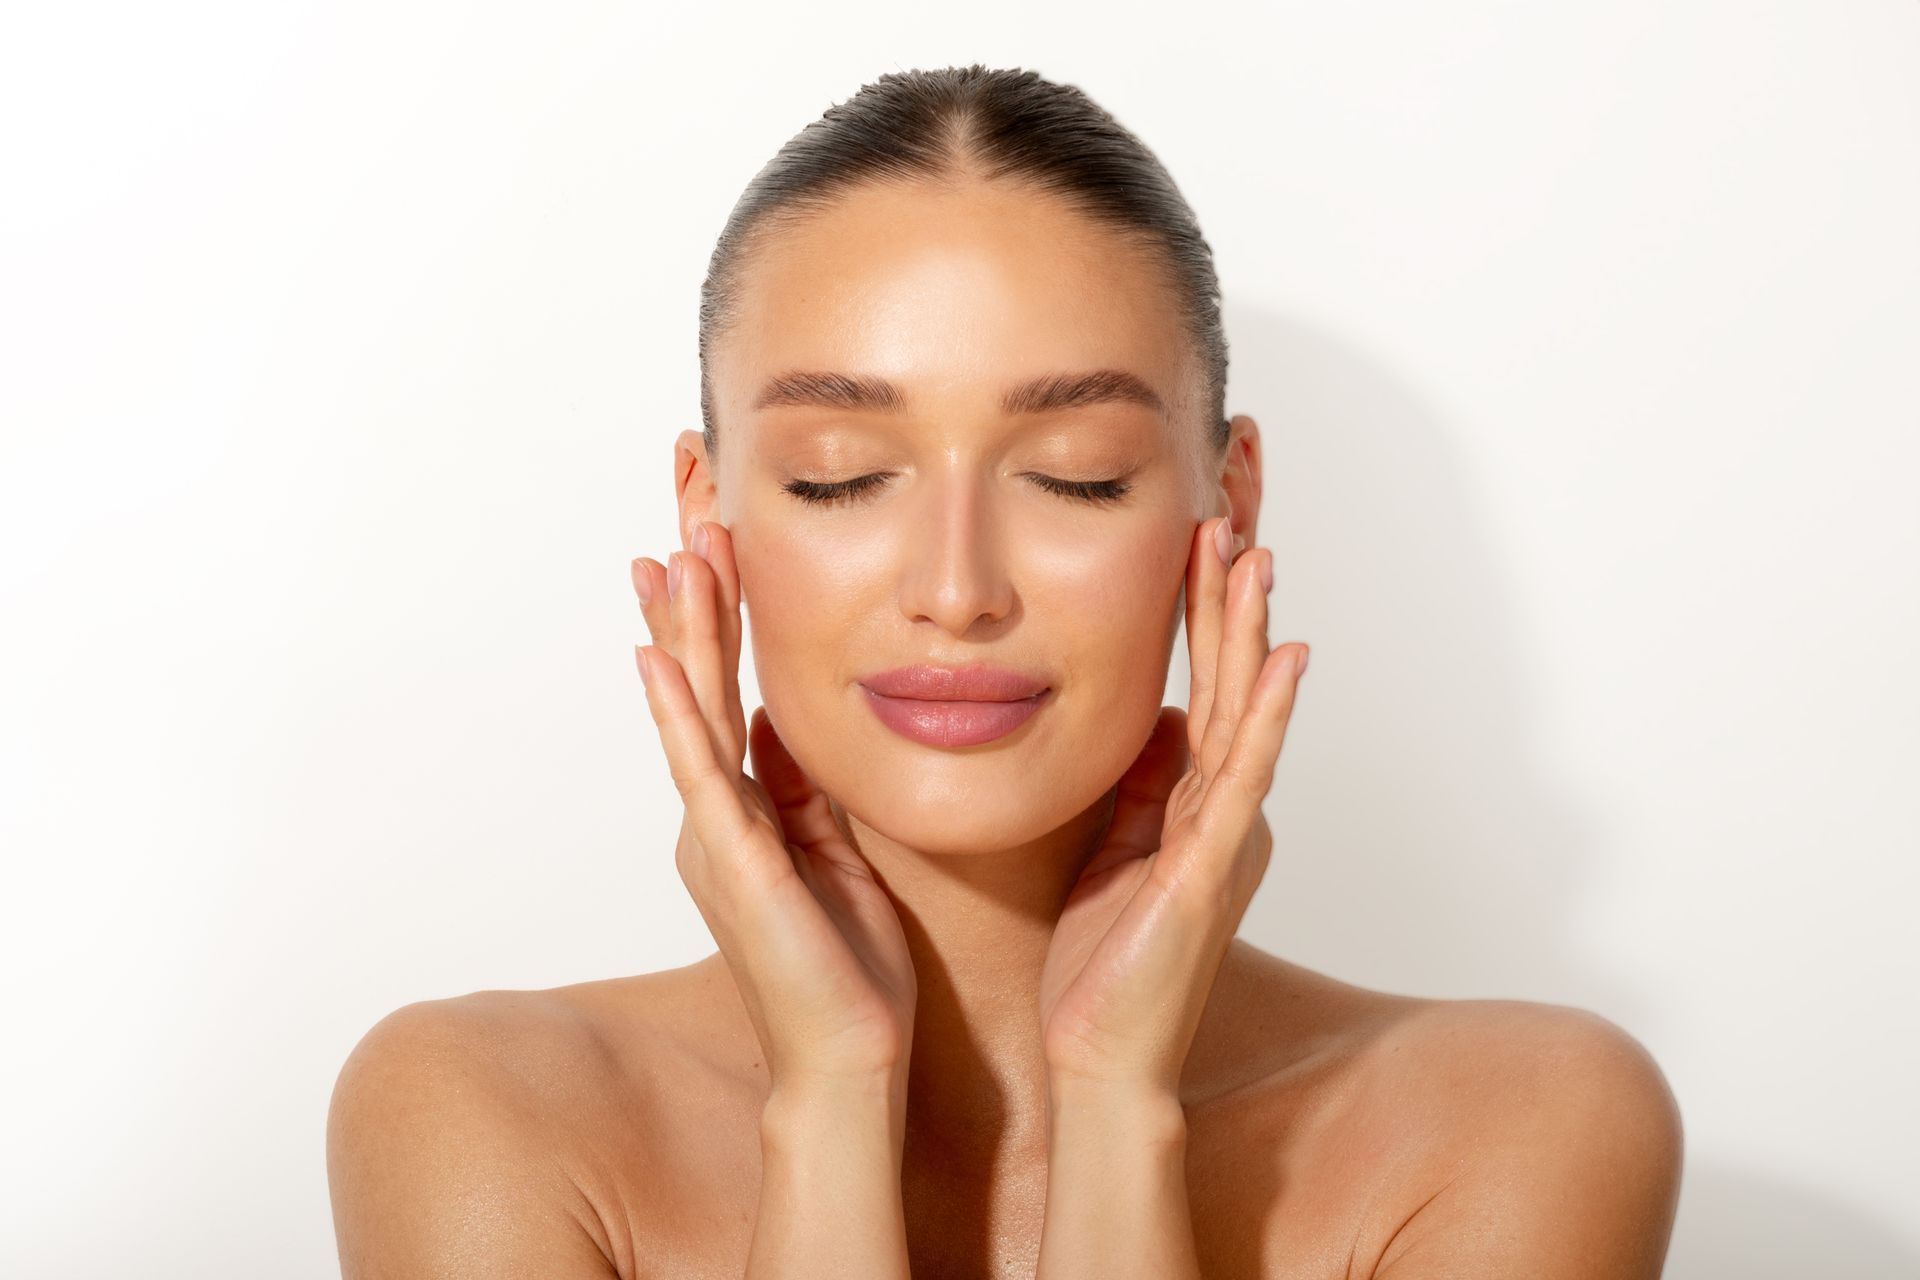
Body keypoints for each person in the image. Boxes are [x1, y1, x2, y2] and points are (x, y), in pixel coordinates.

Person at [325, 64, 1683, 1278]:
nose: (958, 591)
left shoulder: (1512, 1128)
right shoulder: (485, 1117)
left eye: (1075, 478)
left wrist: (1113, 1104)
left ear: (1230, 508)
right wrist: (830, 1100)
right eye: (838, 478)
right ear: (708, 518)